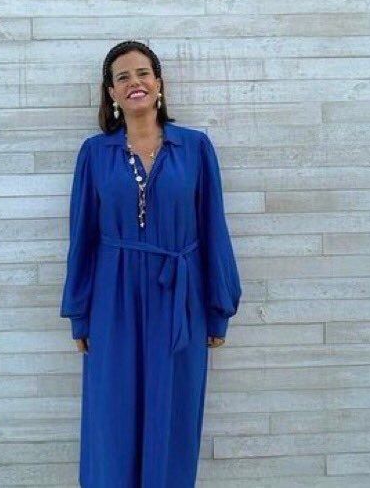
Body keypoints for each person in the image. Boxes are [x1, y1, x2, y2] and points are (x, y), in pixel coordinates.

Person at [60, 39, 243, 488]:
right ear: (111, 93)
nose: (134, 82)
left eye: (142, 73)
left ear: (158, 83)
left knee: (172, 415)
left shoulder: (195, 148)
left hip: (179, 302)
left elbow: (213, 229)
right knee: (112, 418)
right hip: (112, 301)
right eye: (122, 77)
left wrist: (218, 309)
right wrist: (80, 313)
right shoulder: (94, 154)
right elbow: (82, 237)